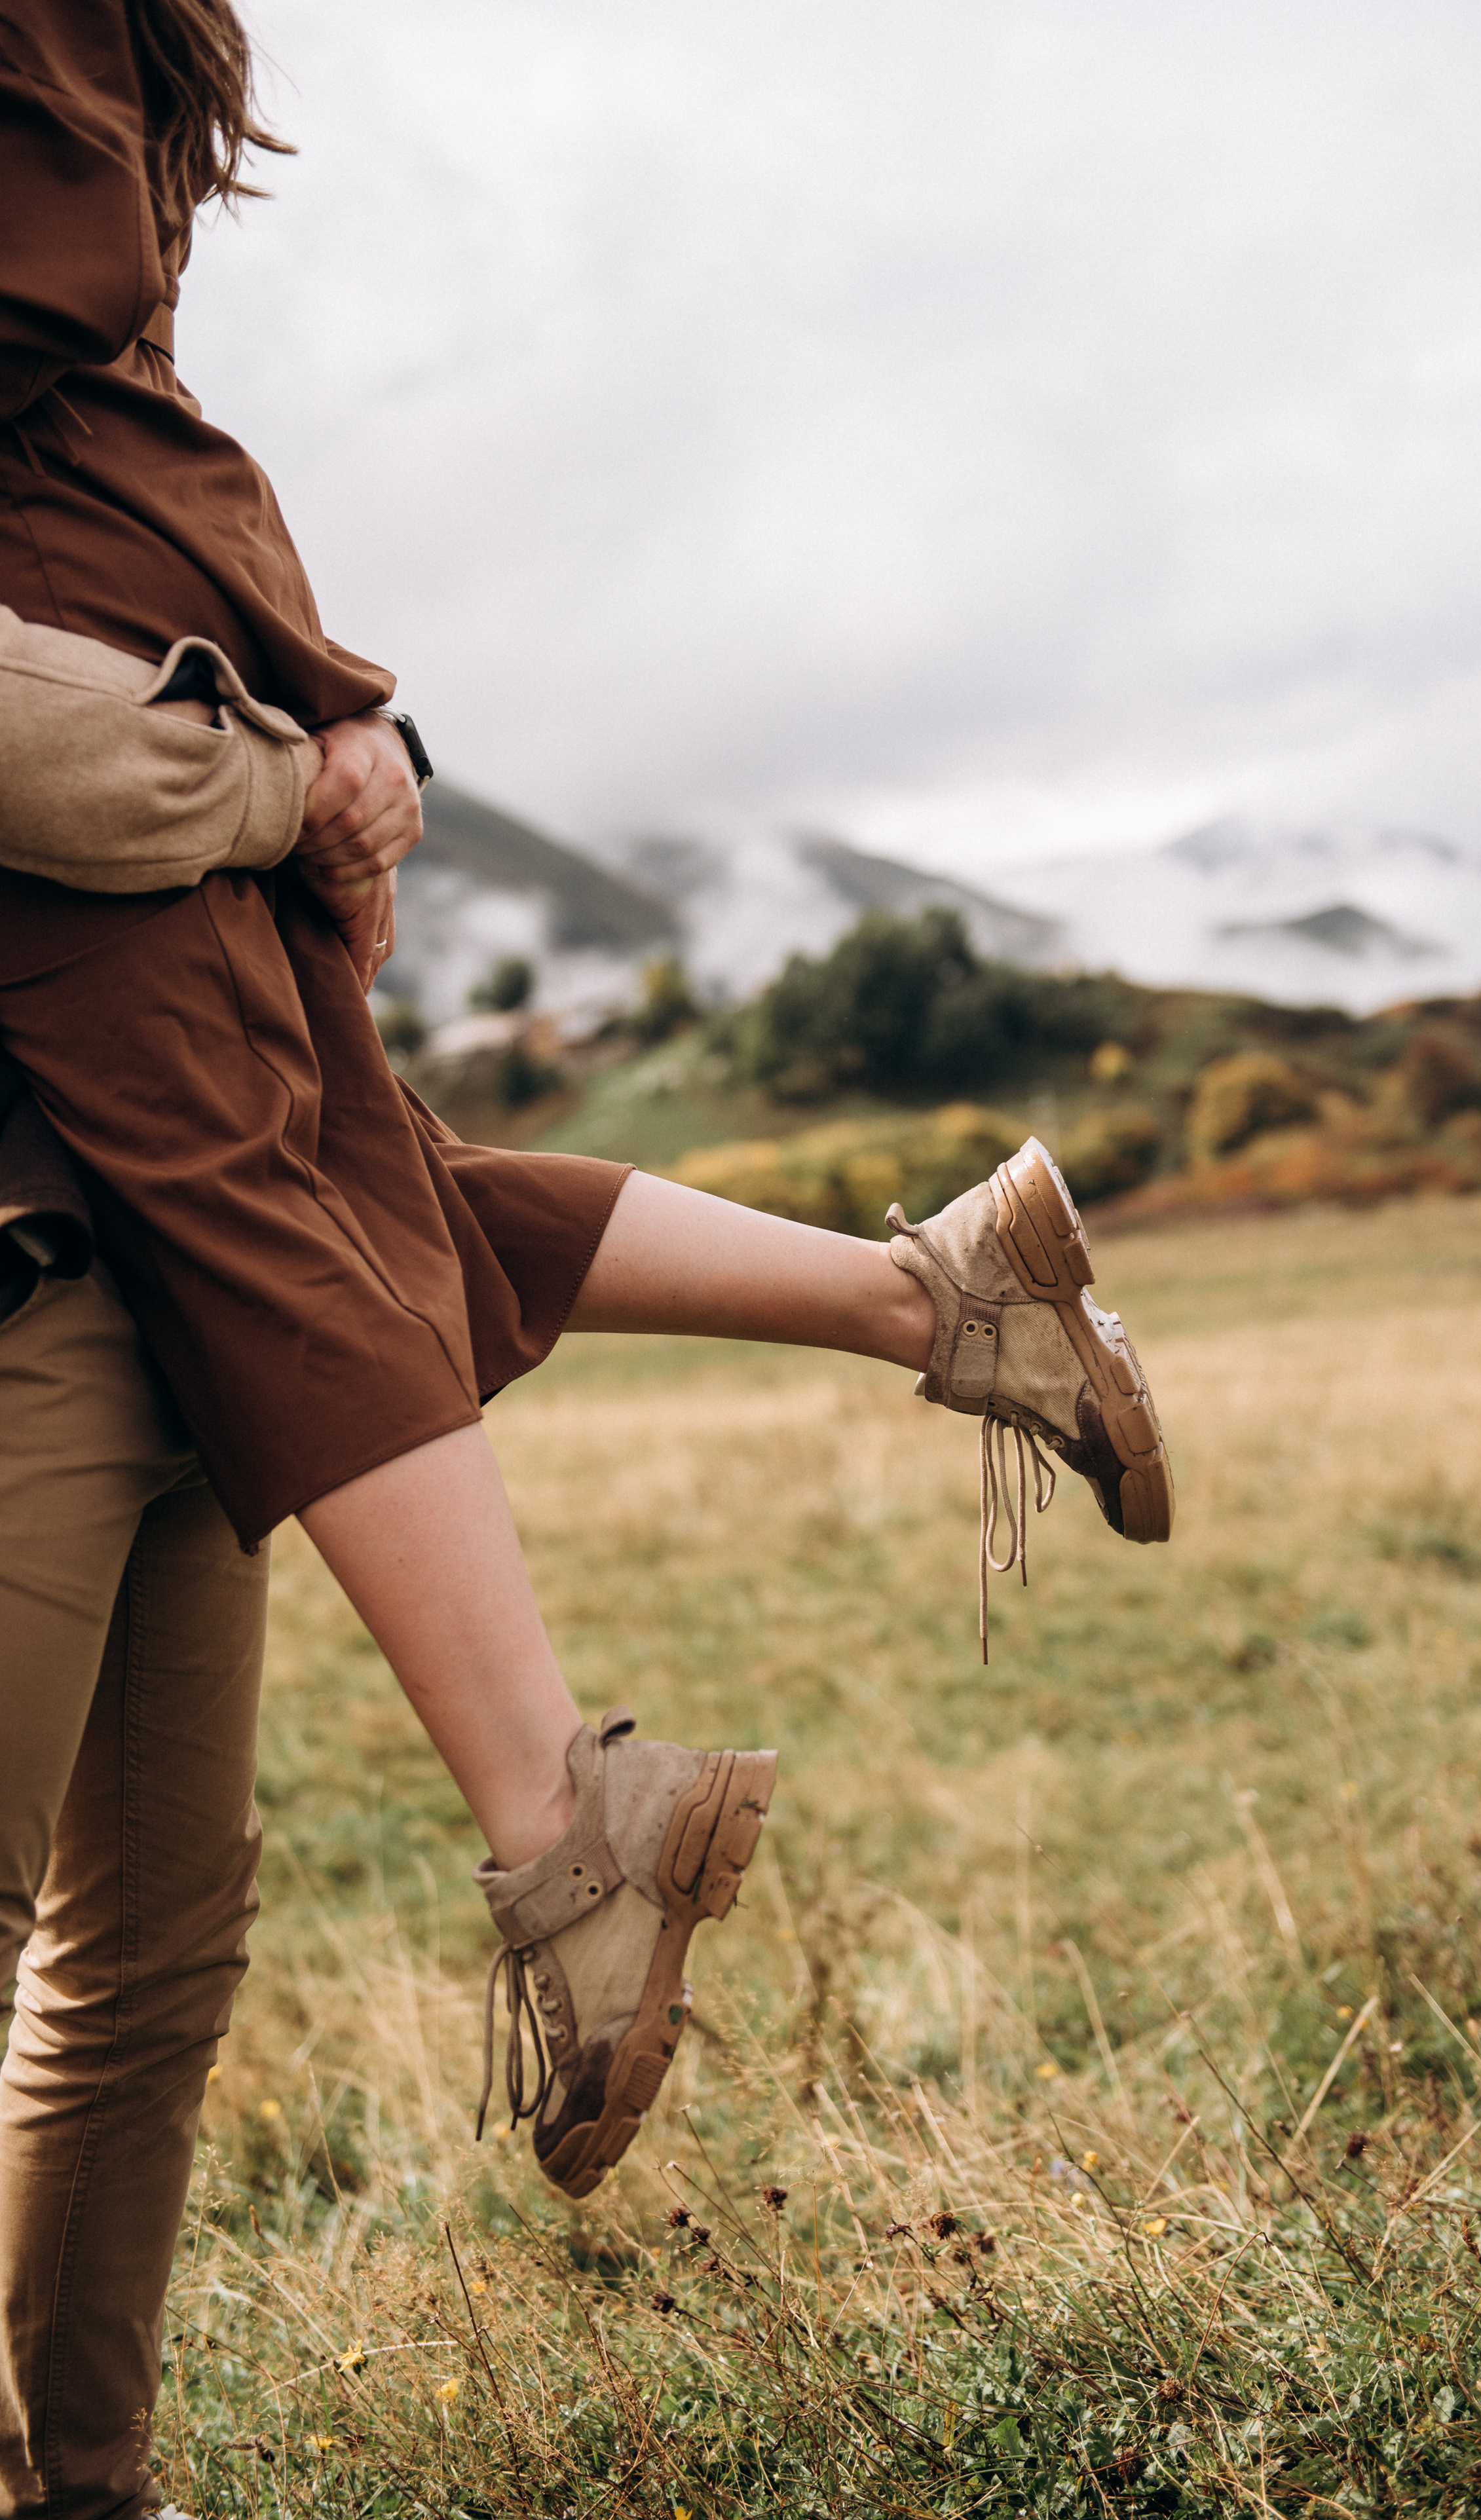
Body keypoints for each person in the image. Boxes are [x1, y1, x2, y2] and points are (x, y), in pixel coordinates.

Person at [0, 7, 1173, 2510]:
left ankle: (93, 2469)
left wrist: (311, 759)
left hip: (110, 1241)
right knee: (352, 1186)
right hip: (69, 1214)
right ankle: (912, 1332)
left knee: (144, 1957)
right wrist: (295, 767)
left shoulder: (73, 221)